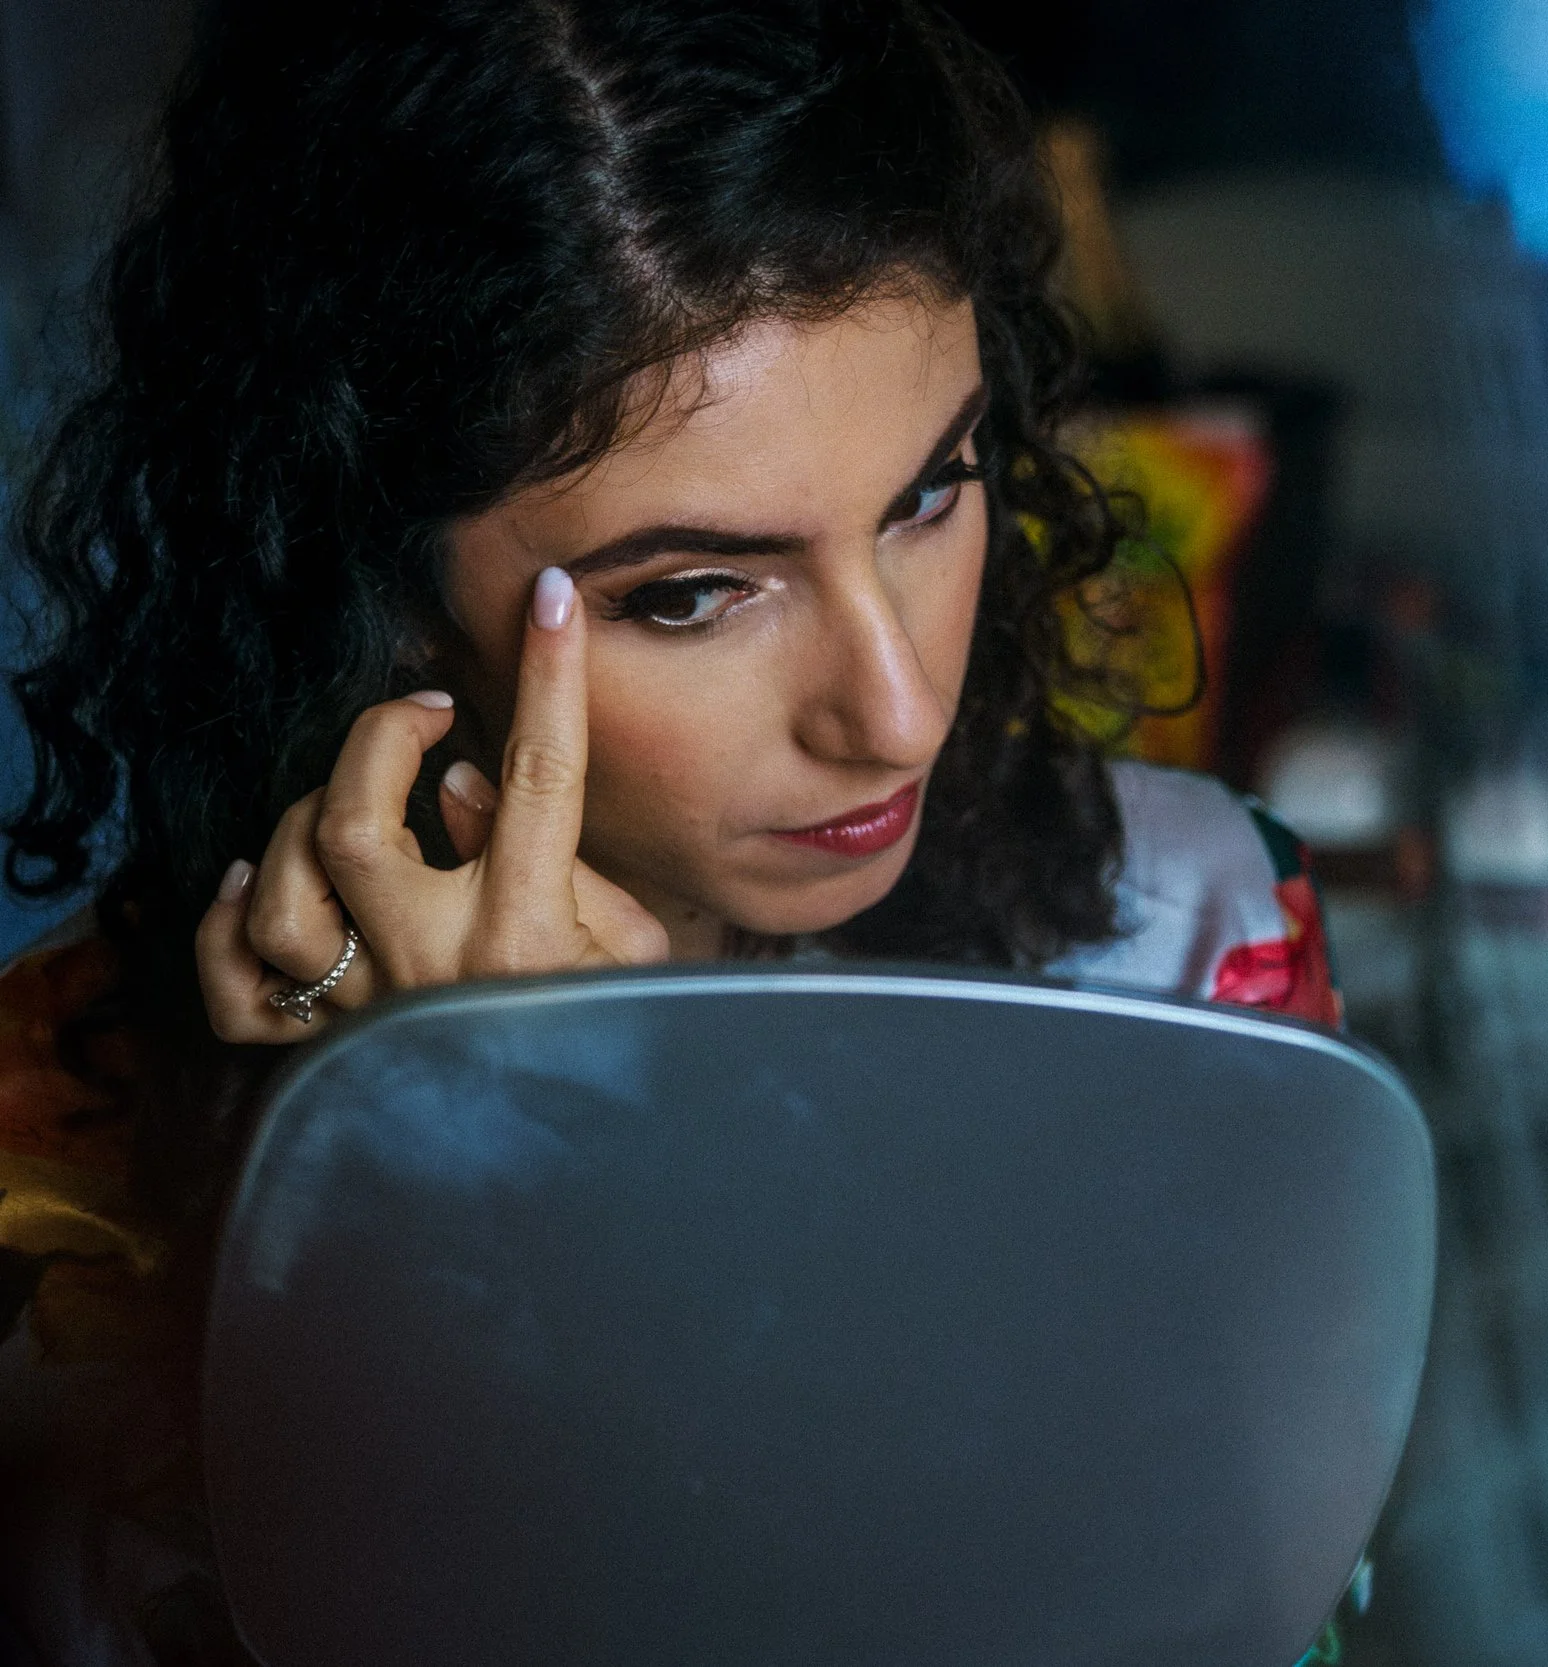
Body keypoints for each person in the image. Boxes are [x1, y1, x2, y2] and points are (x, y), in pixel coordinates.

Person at [0, 4, 1340, 1662]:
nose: (896, 705)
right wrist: (419, 1177)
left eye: (932, 491)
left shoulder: (1186, 946)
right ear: (381, 600)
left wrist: (611, 1188)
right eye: (697, 592)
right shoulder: (55, 1135)